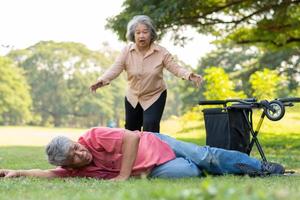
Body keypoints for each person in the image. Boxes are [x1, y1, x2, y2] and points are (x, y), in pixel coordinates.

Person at [0, 127, 285, 180]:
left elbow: (131, 136)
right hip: (150, 167)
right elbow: (50, 173)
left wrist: (124, 175)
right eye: (74, 157)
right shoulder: (75, 170)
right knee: (191, 172)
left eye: (76, 147)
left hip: (153, 143)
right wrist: (18, 172)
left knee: (206, 156)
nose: (81, 153)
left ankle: (262, 167)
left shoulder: (94, 135)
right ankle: (193, 164)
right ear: (69, 165)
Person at [90, 15, 202, 132]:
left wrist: (189, 75)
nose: (141, 35)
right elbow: (115, 68)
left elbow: (176, 68)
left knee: (150, 126)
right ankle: (134, 151)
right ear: (133, 35)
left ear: (151, 34)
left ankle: (151, 150)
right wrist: (101, 80)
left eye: (145, 32)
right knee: (131, 131)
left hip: (155, 95)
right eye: (138, 32)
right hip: (133, 96)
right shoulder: (127, 52)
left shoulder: (161, 52)